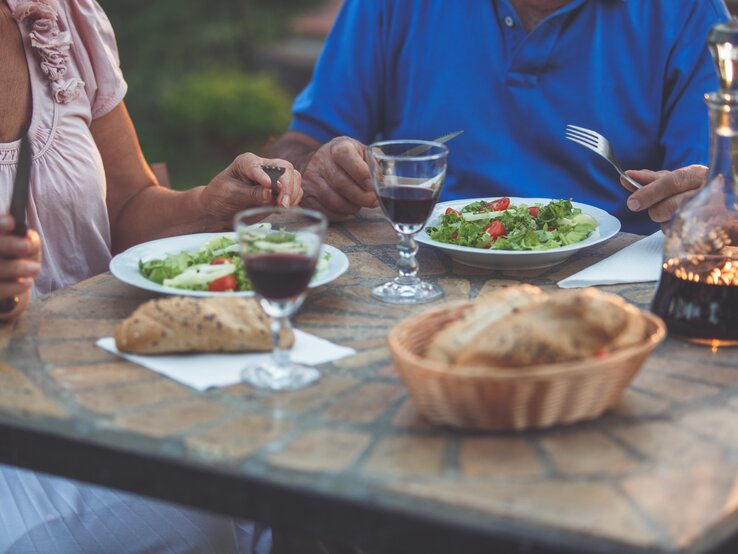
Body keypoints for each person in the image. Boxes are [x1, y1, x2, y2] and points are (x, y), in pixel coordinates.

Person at [0, 0, 297, 551]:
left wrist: (210, 206)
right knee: (197, 509)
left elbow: (129, 202)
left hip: (106, 382)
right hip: (21, 438)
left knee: (279, 448)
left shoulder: (62, 19)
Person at [268, 0, 729, 234]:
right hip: (414, 273)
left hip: (608, 288)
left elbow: (709, 190)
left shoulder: (686, 12)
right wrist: (314, 169)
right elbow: (302, 143)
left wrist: (704, 200)